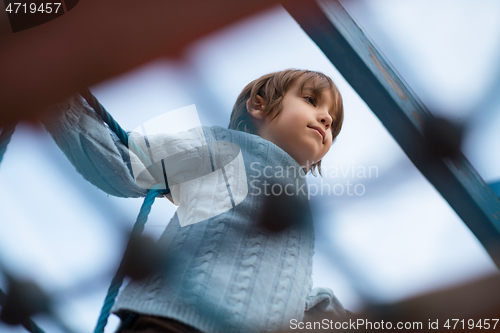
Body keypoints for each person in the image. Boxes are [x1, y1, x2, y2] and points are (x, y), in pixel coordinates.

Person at [42, 69, 346, 333]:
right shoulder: (227, 148)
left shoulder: (298, 203)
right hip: (174, 320)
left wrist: (322, 307)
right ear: (258, 105)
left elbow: (277, 275)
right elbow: (125, 161)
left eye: (333, 123)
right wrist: (54, 97)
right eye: (310, 100)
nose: (326, 118)